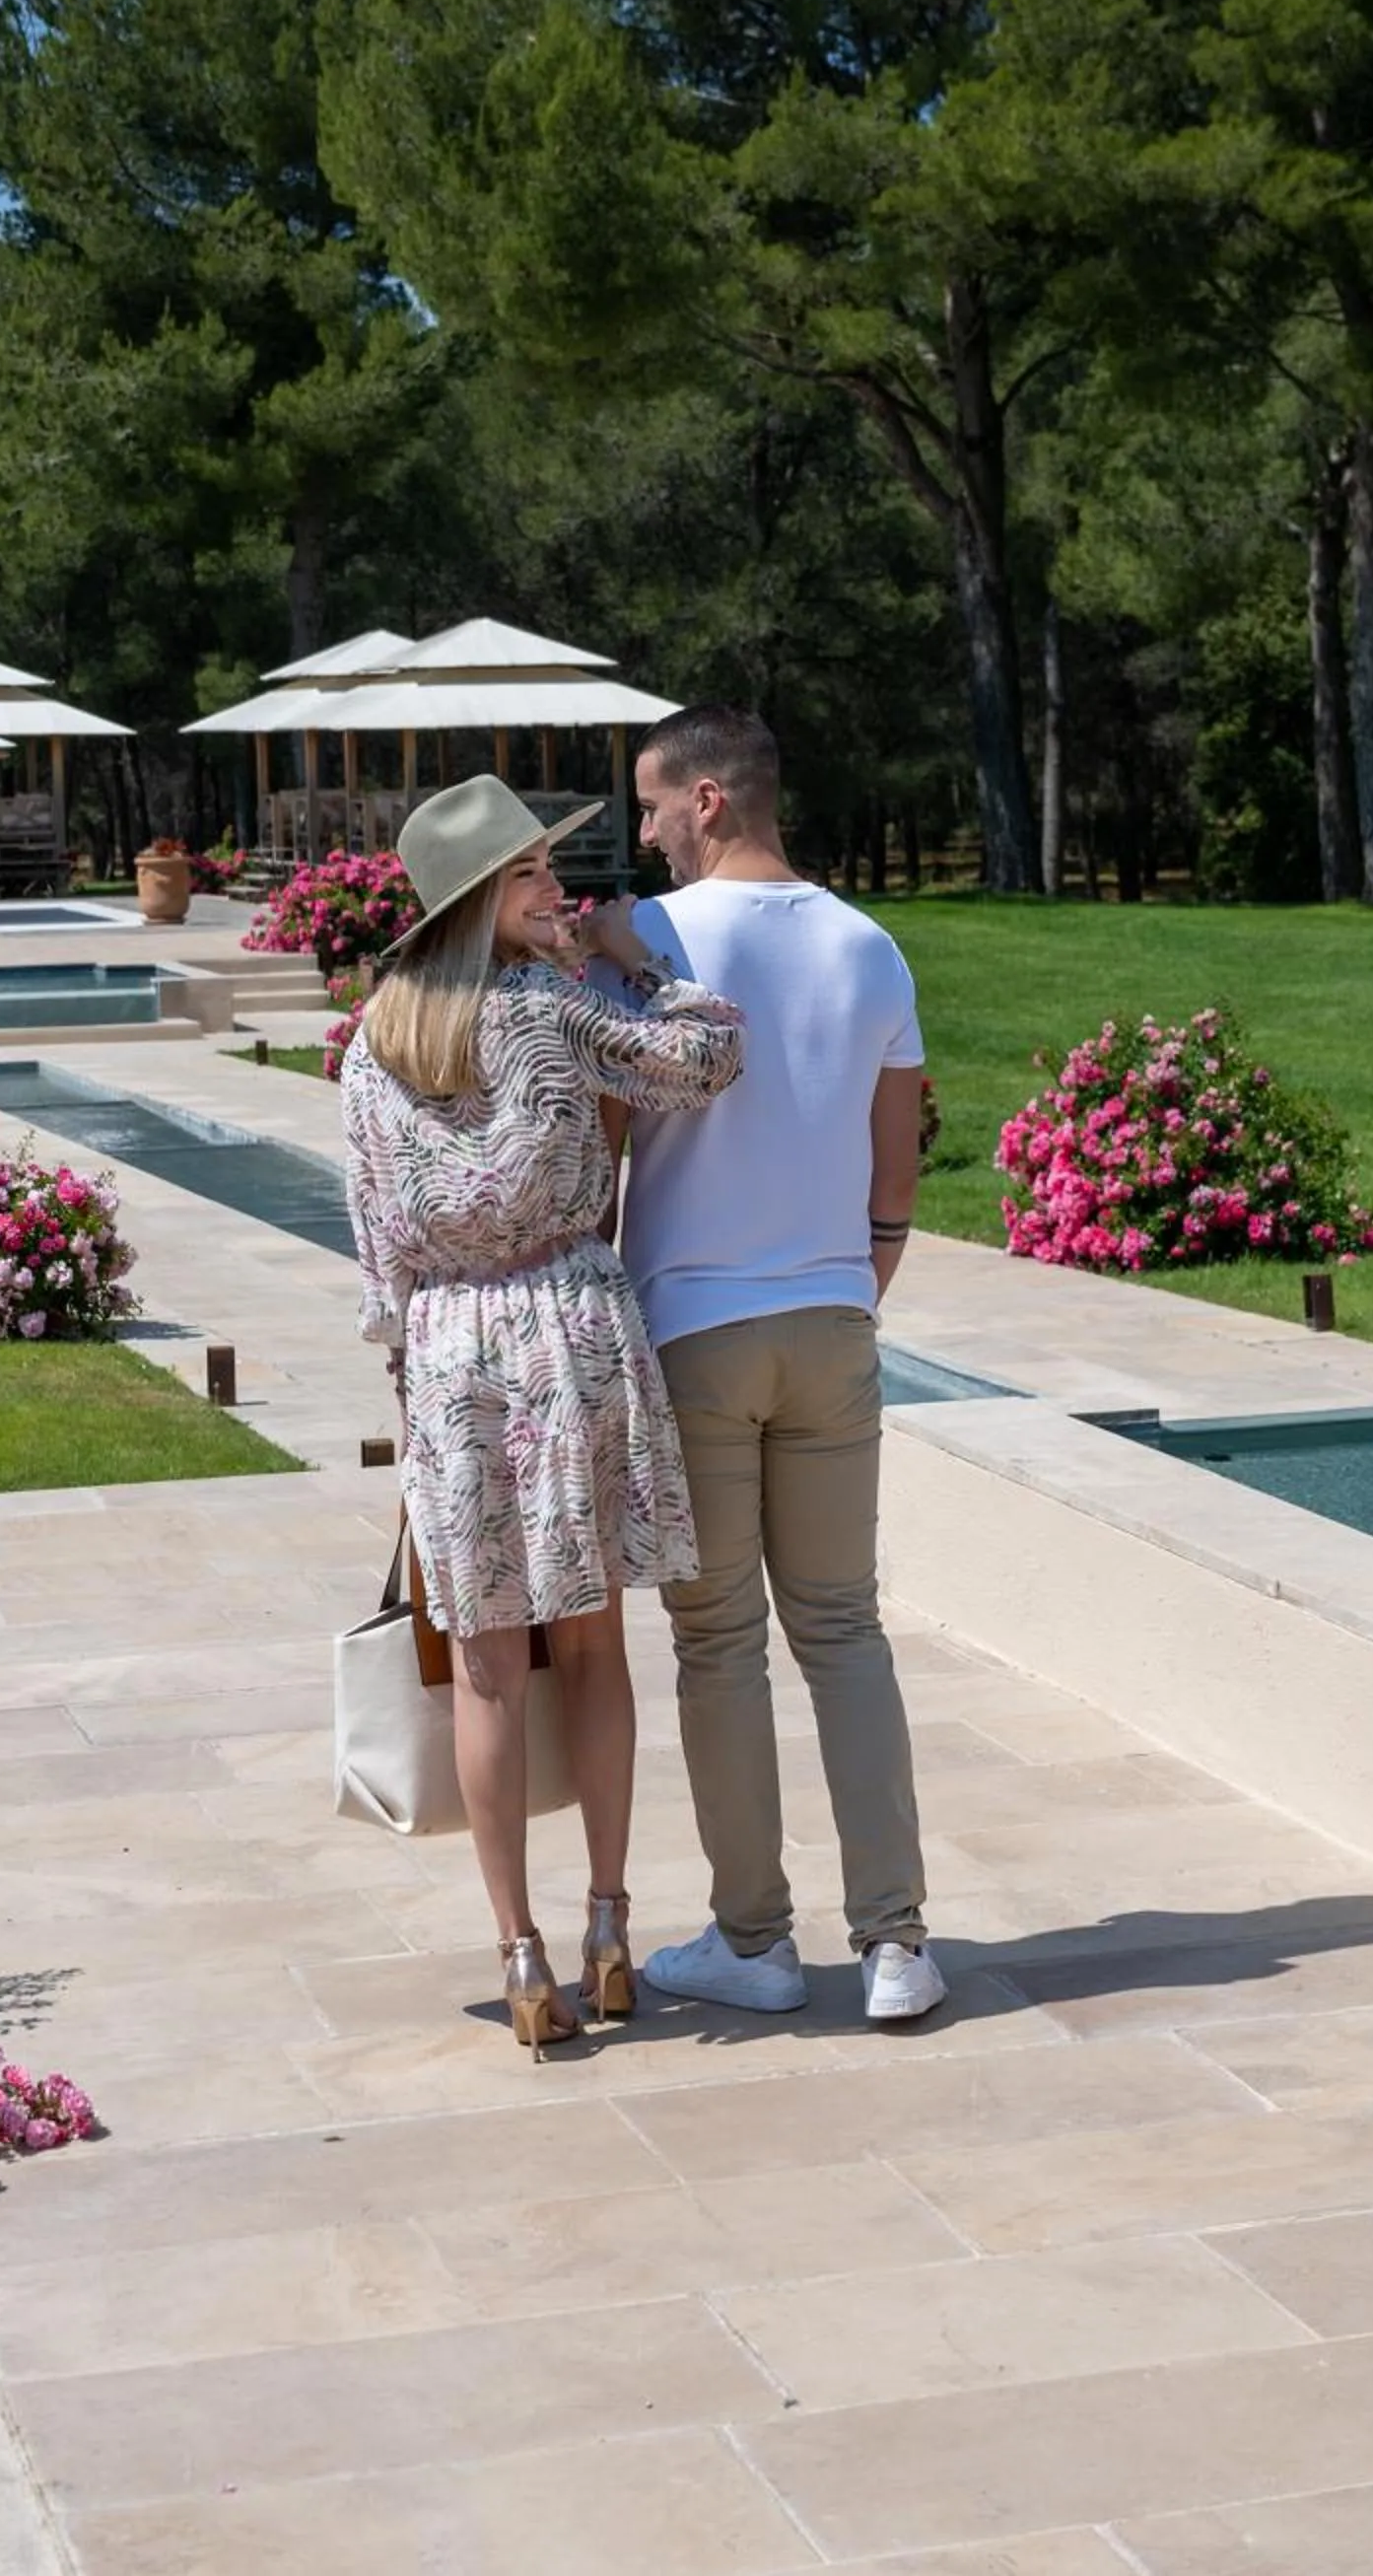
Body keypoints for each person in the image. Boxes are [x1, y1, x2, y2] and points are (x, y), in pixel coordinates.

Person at [339, 774, 745, 2056]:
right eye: (529, 877)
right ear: (479, 900)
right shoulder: (553, 1014)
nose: (556, 891)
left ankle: (518, 1953)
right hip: (569, 1330)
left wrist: (412, 1385)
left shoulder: (371, 1046)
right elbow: (711, 1056)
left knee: (490, 1670)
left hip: (455, 1349)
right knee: (590, 1650)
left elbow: (377, 1253)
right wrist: (635, 964)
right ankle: (609, 1930)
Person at [609, 706, 946, 2025]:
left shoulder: (654, 935)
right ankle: (897, 1946)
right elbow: (896, 1157)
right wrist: (853, 1286)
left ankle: (753, 1941)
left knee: (719, 1641)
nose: (641, 832)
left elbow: (596, 1123)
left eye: (649, 806)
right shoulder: (872, 944)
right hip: (830, 1323)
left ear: (707, 799)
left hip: (694, 1323)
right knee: (844, 1630)